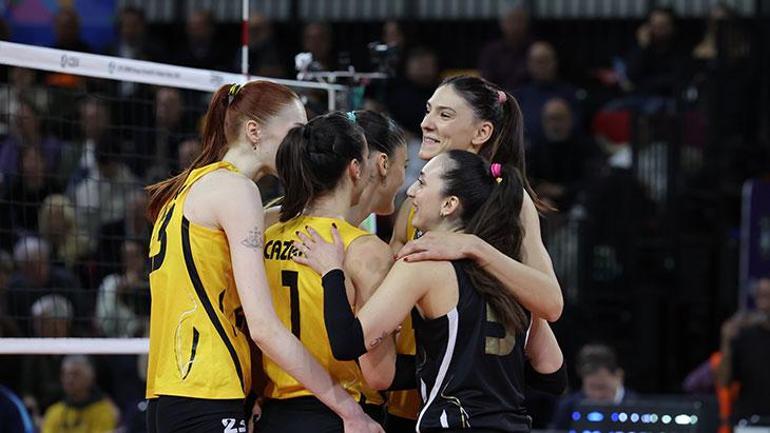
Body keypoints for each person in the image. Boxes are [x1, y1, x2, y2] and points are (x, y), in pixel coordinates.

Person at [144, 81, 381, 433]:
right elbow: (264, 328)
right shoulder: (237, 190)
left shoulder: (190, 187)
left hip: (169, 393)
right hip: (208, 386)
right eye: (295, 131)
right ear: (254, 131)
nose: (301, 143)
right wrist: (350, 411)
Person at [294, 150, 566, 432]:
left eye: (422, 182)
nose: (411, 191)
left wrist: (331, 272)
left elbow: (347, 342)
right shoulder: (516, 278)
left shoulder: (423, 265)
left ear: (449, 204)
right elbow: (553, 376)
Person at [386, 75, 565, 431]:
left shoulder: (509, 200)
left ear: (481, 132)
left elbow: (551, 303)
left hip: (473, 399)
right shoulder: (414, 201)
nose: (426, 122)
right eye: (428, 110)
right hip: (411, 387)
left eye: (445, 115)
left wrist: (473, 246)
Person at [258, 111, 402, 432]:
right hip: (344, 414)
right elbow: (379, 373)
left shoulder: (267, 233)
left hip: (274, 413)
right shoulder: (365, 249)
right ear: (355, 169)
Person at [550, 344, 635, 430]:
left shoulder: (637, 405)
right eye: (591, 387)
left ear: (619, 376)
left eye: (602, 387)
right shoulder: (569, 407)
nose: (597, 395)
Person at [41, 355, 118, 433]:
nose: (69, 380)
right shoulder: (54, 412)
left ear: (90, 378)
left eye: (76, 374)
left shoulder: (103, 411)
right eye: (66, 375)